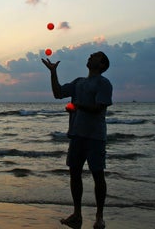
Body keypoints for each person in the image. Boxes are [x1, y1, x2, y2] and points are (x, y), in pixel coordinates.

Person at [42, 51, 112, 229]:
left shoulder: (104, 83)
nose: (90, 55)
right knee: (74, 174)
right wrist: (52, 72)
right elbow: (58, 93)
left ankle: (99, 217)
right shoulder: (79, 82)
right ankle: (77, 215)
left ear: (102, 64)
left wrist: (78, 106)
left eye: (95, 55)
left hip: (95, 136)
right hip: (76, 134)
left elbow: (98, 108)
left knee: (98, 175)